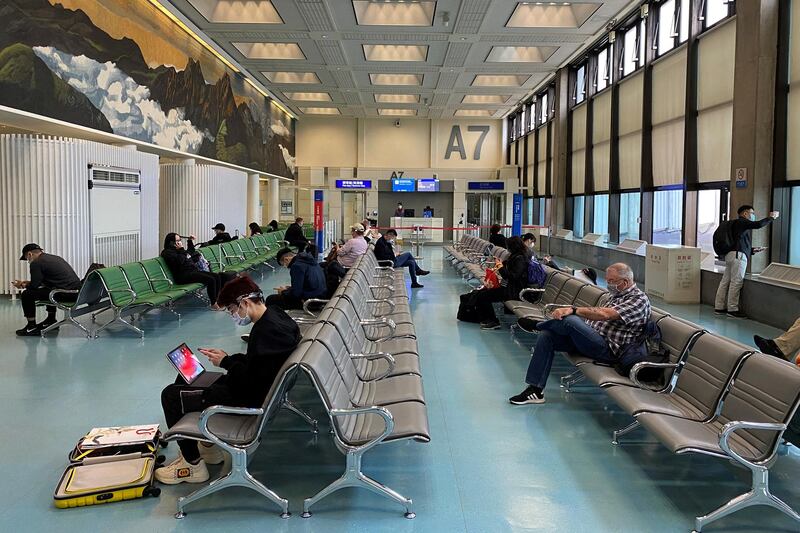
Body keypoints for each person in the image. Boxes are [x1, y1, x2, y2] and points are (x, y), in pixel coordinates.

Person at [155, 276, 300, 484]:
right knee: (187, 380)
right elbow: (259, 363)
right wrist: (227, 358)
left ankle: (192, 465)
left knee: (170, 395)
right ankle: (209, 448)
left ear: (245, 303)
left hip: (250, 398)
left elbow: (252, 382)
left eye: (232, 309)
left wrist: (226, 363)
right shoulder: (275, 317)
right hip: (258, 388)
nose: (234, 315)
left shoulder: (268, 332)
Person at [509, 263, 651, 405]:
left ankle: (537, 325)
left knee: (570, 320)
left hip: (609, 350)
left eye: (611, 281)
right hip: (592, 340)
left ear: (625, 282)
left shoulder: (639, 300)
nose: (608, 285)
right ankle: (535, 390)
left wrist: (574, 310)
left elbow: (605, 314)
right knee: (547, 336)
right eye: (607, 281)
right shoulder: (617, 295)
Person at [714, 205, 779, 318]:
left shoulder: (735, 225)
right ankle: (732, 309)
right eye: (751, 213)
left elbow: (739, 243)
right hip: (738, 256)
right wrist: (771, 218)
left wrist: (752, 250)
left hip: (731, 255)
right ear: (745, 213)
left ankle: (719, 307)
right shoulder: (742, 222)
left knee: (725, 282)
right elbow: (758, 224)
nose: (753, 215)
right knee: (736, 282)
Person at [12, 243, 82, 336]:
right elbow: (44, 281)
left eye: (27, 258)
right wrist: (27, 282)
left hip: (66, 294)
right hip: (76, 292)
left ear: (30, 254)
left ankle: (31, 326)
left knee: (27, 294)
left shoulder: (36, 263)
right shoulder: (54, 258)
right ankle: (51, 320)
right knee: (48, 288)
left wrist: (22, 285)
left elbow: (34, 287)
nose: (28, 261)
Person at [160, 233, 235, 307]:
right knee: (211, 280)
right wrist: (181, 250)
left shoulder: (178, 251)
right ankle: (214, 304)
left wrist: (189, 241)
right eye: (178, 240)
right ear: (172, 243)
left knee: (217, 276)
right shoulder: (167, 253)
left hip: (192, 271)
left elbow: (190, 252)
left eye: (180, 240)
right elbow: (181, 261)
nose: (180, 242)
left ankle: (218, 299)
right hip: (183, 276)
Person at [472, 236, 530, 330]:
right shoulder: (515, 256)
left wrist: (500, 267)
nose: (507, 249)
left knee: (484, 296)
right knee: (481, 293)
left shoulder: (520, 259)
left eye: (508, 246)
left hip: (513, 291)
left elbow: (512, 276)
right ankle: (486, 319)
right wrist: (500, 264)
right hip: (507, 288)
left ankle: (493, 321)